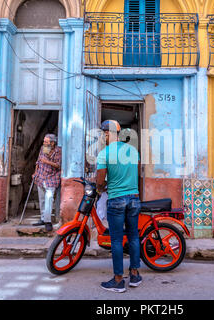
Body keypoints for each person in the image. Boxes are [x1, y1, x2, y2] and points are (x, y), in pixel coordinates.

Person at [96, 120, 142, 293]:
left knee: (116, 240)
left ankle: (118, 280)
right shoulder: (133, 151)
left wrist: (101, 189)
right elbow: (137, 174)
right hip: (134, 198)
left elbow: (100, 181)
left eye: (103, 133)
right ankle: (135, 275)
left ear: (108, 134)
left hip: (116, 199)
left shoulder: (104, 154)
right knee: (133, 237)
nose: (103, 136)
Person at [32, 134, 61, 232]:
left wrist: (47, 162)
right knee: (42, 199)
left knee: (49, 198)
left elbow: (58, 165)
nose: (44, 143)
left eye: (46, 142)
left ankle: (48, 222)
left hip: (52, 178)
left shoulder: (58, 151)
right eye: (44, 141)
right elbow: (39, 162)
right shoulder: (44, 148)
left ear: (52, 143)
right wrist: (35, 172)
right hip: (41, 176)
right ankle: (43, 218)